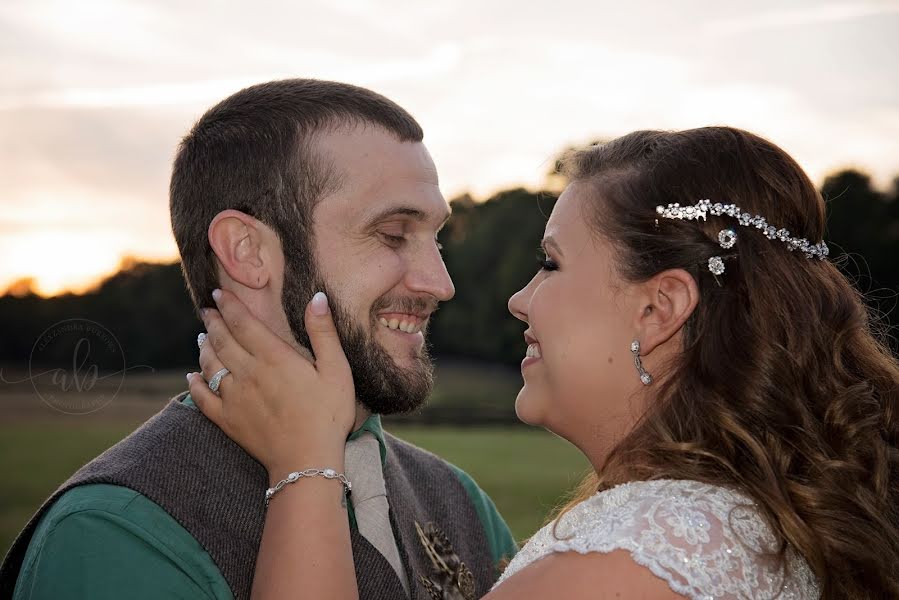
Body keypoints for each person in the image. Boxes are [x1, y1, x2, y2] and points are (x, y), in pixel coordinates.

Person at [187, 126, 899, 599]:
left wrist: (303, 467)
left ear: (658, 309)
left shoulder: (618, 569)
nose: (518, 301)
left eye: (549, 264)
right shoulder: (748, 524)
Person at [0, 79, 517, 600]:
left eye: (437, 236)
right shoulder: (115, 535)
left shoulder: (461, 503)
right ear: (246, 250)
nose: (439, 283)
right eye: (392, 233)